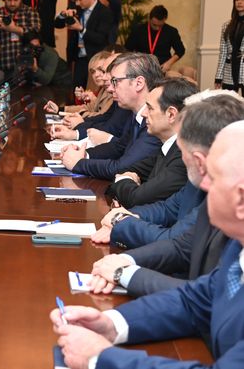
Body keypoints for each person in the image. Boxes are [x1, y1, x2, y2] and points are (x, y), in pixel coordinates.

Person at [50, 120, 244, 369]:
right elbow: (195, 302)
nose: (202, 185)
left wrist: (100, 358)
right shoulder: (237, 245)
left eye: (212, 178)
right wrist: (110, 324)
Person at [89, 93, 244, 298]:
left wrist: (121, 223)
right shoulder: (204, 183)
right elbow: (171, 217)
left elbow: (203, 294)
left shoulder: (214, 187)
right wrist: (124, 257)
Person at [60, 53, 163, 180]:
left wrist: (79, 163)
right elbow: (119, 147)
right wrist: (84, 154)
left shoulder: (156, 121)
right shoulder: (137, 114)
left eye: (115, 81)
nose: (110, 89)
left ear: (139, 83)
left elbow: (121, 168)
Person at [106, 78, 197, 209]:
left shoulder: (183, 157)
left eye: (149, 108)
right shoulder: (166, 148)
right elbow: (121, 172)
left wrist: (124, 180)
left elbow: (136, 198)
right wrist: (124, 182)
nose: (143, 114)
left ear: (171, 114)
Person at [55, 0, 114, 88]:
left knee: (95, 89)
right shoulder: (76, 8)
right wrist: (63, 15)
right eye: (75, 0)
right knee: (77, 89)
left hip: (96, 58)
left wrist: (81, 29)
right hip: (78, 57)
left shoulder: (104, 12)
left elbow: (101, 38)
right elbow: (57, 24)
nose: (77, 3)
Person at [125, 5, 186, 71]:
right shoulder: (138, 30)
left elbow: (180, 50)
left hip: (162, 68)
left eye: (160, 25)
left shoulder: (171, 31)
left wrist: (169, 63)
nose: (157, 28)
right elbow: (127, 49)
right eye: (154, 25)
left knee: (183, 73)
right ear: (149, 19)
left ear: (165, 19)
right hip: (141, 68)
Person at [214, 0, 244, 94]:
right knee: (228, 102)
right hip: (229, 71)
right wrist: (218, 77)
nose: (239, 2)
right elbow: (223, 53)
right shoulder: (226, 25)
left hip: (242, 67)